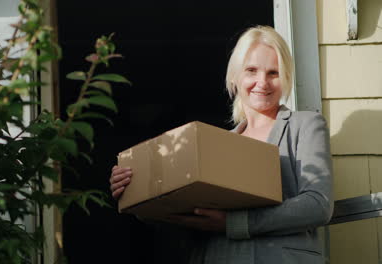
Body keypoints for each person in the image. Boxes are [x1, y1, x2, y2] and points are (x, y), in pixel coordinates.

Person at [110, 25, 333, 264]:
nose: (262, 82)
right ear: (235, 76)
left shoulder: (306, 125)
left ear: (286, 77)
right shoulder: (214, 147)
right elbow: (179, 219)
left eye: (273, 73)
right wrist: (137, 190)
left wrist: (233, 223)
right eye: (251, 70)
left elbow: (317, 205)